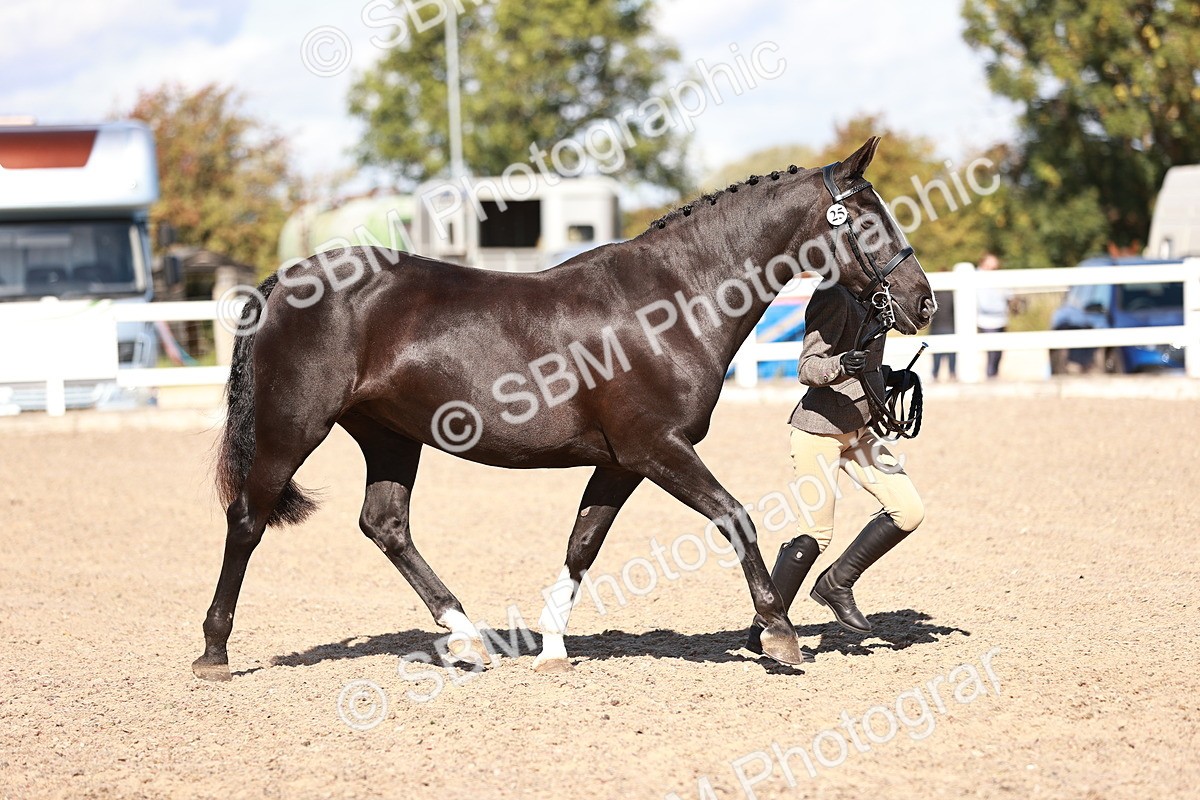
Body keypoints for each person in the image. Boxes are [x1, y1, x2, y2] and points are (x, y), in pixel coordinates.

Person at [746, 283, 925, 651]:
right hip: (818, 432)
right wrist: (840, 365)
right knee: (815, 534)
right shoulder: (832, 296)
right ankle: (764, 630)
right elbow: (807, 367)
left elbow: (866, 364)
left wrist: (888, 376)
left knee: (909, 511)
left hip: (859, 431)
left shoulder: (876, 301)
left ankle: (836, 583)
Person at [975, 253, 1011, 379]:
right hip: (986, 320)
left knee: (999, 351)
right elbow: (983, 303)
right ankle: (990, 375)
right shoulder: (977, 277)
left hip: (1001, 319)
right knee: (992, 351)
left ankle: (994, 374)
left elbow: (1008, 294)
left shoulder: (999, 277)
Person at [930, 289, 956, 380]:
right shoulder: (951, 294)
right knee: (951, 354)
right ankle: (952, 373)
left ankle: (935, 374)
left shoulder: (934, 294)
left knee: (937, 355)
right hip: (950, 326)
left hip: (937, 327)